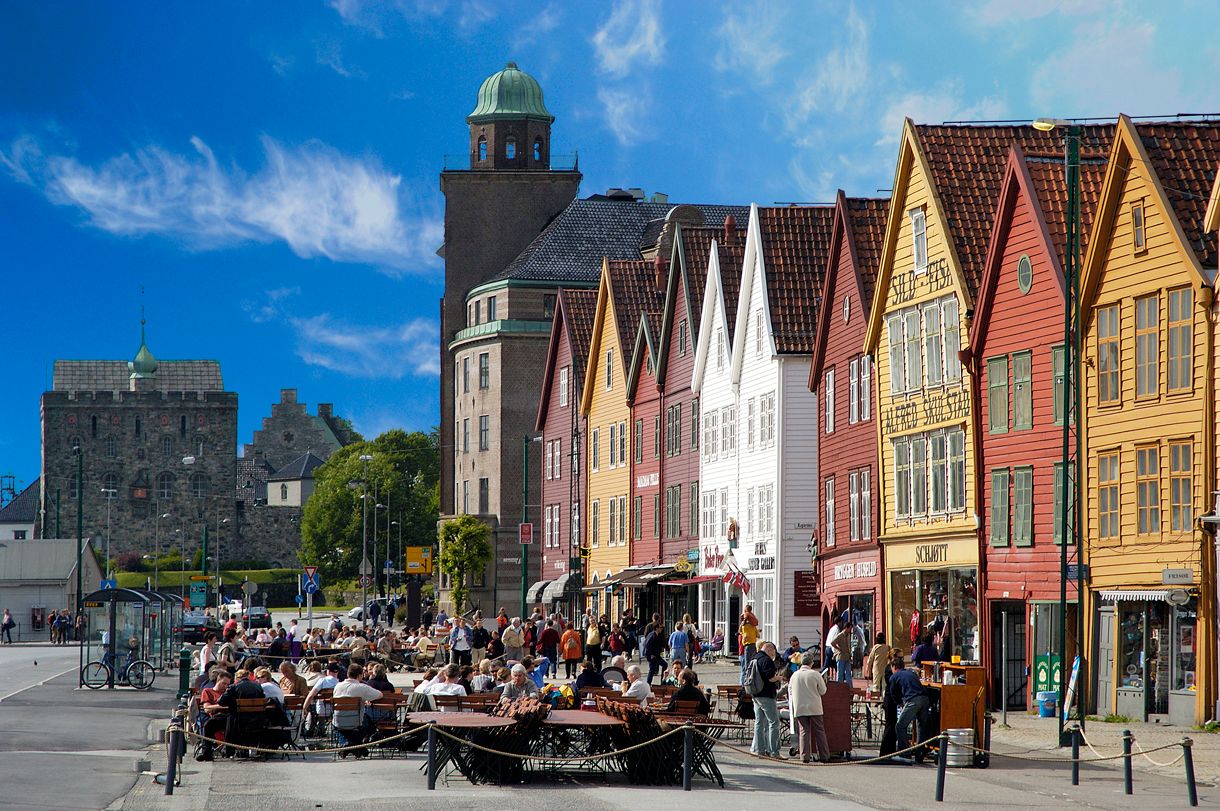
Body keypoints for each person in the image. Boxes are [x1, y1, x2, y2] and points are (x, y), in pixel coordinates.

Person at [332, 663, 383, 756]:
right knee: (371, 724)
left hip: (338, 721)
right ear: (360, 675)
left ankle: (352, 746)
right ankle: (353, 746)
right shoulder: (361, 687)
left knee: (345, 729)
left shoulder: (337, 686)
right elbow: (379, 694)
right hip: (355, 721)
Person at [888, 654, 929, 764]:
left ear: (894, 667)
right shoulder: (912, 673)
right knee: (921, 727)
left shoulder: (894, 676)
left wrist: (900, 704)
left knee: (900, 726)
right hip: (925, 698)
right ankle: (920, 754)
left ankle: (905, 753)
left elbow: (893, 693)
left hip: (912, 700)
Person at [788, 658, 830, 763]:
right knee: (819, 731)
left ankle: (804, 756)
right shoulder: (815, 674)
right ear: (811, 663)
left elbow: (790, 690)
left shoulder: (795, 675)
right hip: (814, 706)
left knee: (803, 732)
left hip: (800, 706)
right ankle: (824, 755)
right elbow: (823, 691)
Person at [750, 642, 785, 759]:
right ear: (770, 650)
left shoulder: (755, 658)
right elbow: (770, 678)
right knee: (774, 722)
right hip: (766, 695)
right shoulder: (766, 660)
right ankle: (774, 751)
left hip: (755, 694)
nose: (774, 653)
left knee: (759, 722)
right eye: (774, 651)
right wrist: (779, 678)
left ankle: (759, 749)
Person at [738, 605, 759, 685]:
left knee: (747, 666)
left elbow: (740, 628)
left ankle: (746, 683)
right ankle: (751, 681)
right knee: (752, 663)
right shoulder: (753, 625)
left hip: (747, 646)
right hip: (754, 644)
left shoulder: (745, 625)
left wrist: (744, 621)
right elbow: (758, 635)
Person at [829, 617, 853, 683]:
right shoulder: (840, 635)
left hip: (847, 656)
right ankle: (839, 687)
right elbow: (832, 643)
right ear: (846, 628)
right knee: (840, 673)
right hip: (841, 656)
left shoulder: (848, 635)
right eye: (849, 629)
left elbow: (848, 646)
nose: (850, 630)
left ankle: (849, 687)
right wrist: (838, 649)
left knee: (848, 673)